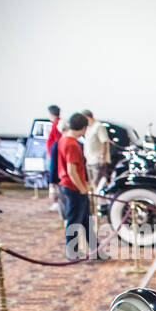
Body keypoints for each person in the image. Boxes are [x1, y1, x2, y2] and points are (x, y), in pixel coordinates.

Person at [57, 112, 90, 258]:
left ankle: (94, 250)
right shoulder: (72, 144)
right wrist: (82, 189)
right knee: (75, 221)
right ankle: (72, 252)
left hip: (71, 186)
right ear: (83, 128)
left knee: (85, 221)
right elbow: (72, 170)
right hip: (74, 188)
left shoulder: (64, 140)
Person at [82, 109, 112, 193]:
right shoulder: (88, 127)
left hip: (97, 159)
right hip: (89, 159)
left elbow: (104, 142)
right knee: (91, 183)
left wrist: (102, 157)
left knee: (98, 183)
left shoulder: (98, 126)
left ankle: (99, 202)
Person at [46, 104, 62, 212]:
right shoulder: (56, 124)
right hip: (54, 156)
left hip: (56, 157)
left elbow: (57, 142)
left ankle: (58, 201)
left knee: (55, 180)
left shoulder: (57, 125)